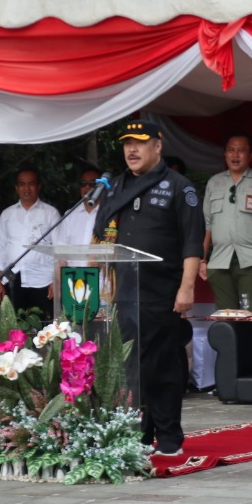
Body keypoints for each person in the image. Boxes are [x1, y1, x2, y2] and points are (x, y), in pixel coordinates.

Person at [96, 119, 204, 456]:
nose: (132, 149)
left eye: (140, 143)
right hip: (124, 293)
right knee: (132, 366)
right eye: (127, 143)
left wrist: (187, 289)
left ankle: (169, 436)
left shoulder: (178, 187)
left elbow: (192, 244)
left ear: (158, 146)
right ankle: (140, 434)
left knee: (164, 365)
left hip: (163, 293)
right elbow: (100, 237)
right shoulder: (114, 187)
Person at [199, 132, 252, 310]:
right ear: (225, 154)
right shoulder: (214, 183)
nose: (235, 155)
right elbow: (207, 224)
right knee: (225, 317)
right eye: (231, 150)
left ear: (251, 155)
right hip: (220, 260)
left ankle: (251, 339)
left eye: (241, 151)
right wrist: (202, 259)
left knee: (251, 315)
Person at [0, 167, 60, 314]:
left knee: (45, 329)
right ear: (16, 188)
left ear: (39, 186)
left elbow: (60, 250)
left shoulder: (51, 213)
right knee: (14, 328)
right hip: (12, 279)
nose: (26, 188)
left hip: (44, 281)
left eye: (31, 184)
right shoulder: (7, 214)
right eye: (22, 184)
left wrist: (56, 282)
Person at [54, 165, 105, 246]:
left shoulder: (109, 214)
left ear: (101, 187)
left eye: (92, 183)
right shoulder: (69, 215)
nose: (87, 187)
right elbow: (61, 250)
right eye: (83, 183)